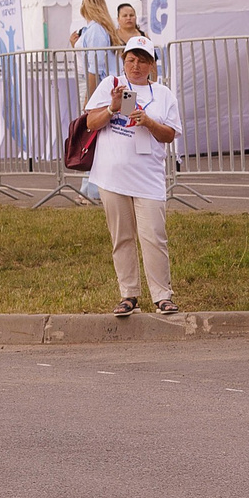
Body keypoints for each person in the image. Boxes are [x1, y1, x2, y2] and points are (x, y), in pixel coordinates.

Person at [85, 37, 182, 316]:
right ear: (123, 60)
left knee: (153, 235)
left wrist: (149, 121)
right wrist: (112, 108)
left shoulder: (163, 94)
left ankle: (162, 295)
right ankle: (128, 294)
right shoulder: (111, 85)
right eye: (130, 59)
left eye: (142, 60)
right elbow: (91, 123)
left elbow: (169, 135)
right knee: (122, 237)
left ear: (151, 65)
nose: (135, 65)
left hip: (148, 177)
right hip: (113, 176)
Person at [69, 0, 120, 78]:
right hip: (86, 74)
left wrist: (91, 90)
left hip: (92, 78)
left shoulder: (96, 29)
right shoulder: (97, 28)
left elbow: (95, 67)